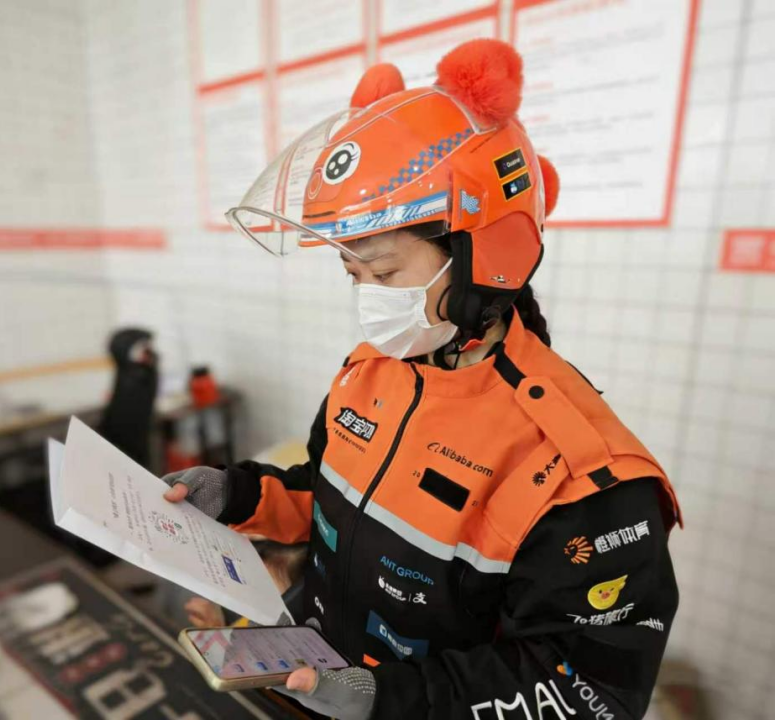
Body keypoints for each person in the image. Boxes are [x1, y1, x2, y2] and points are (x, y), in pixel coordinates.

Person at [163, 40, 681, 720]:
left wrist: (386, 700)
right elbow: (332, 498)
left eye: (384, 272)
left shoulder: (580, 473)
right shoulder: (369, 374)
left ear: (485, 256)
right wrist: (236, 493)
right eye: (353, 274)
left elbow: (588, 690)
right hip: (307, 681)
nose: (368, 298)